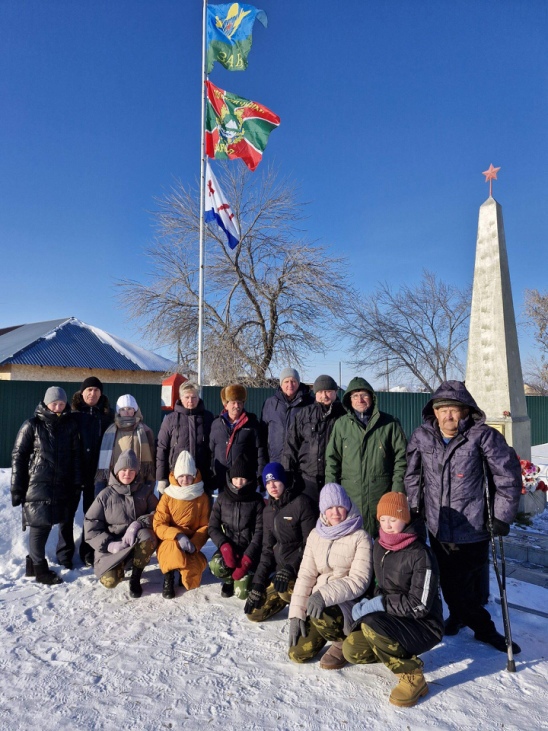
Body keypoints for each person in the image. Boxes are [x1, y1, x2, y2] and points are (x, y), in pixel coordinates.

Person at [404, 380, 522, 654]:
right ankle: (459, 617)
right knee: (448, 581)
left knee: (463, 585)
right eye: (442, 409)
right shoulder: (423, 436)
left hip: (473, 525)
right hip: (438, 524)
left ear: (466, 410)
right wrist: (413, 509)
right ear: (434, 411)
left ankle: (485, 630)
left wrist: (502, 516)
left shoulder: (483, 437)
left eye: (454, 409)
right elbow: (412, 475)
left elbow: (507, 476)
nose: (448, 415)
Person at [343, 492, 443, 708]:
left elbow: (420, 605)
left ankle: (413, 675)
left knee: (372, 625)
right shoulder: (380, 545)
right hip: (394, 618)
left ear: (405, 519)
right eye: (383, 519)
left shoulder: (420, 554)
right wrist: (367, 601)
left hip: (424, 625)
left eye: (393, 519)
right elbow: (381, 586)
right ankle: (391, 652)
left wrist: (379, 605)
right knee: (351, 650)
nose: (387, 525)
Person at [287, 483, 373, 670]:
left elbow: (359, 580)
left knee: (323, 612)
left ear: (348, 506)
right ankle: (321, 627)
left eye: (339, 506)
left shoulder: (360, 537)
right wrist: (296, 614)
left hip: (346, 604)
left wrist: (323, 595)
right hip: (317, 604)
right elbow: (306, 576)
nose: (335, 512)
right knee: (297, 653)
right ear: (323, 511)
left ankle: (342, 642)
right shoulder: (315, 535)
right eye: (329, 508)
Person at [11, 386, 82, 584]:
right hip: (37, 484)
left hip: (60, 485)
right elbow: (19, 455)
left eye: (61, 403)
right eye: (54, 403)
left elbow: (76, 456)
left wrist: (77, 482)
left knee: (49, 524)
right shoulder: (32, 425)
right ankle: (40, 570)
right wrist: (17, 487)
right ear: (46, 403)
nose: (58, 407)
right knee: (39, 526)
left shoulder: (69, 426)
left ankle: (32, 564)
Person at [324, 377, 407, 537]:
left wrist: (397, 490)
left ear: (372, 398)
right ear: (349, 400)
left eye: (364, 395)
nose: (359, 399)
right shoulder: (341, 425)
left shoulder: (389, 423)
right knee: (353, 542)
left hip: (382, 495)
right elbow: (332, 460)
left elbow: (401, 459)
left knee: (383, 540)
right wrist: (331, 491)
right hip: (351, 495)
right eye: (355, 396)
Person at [244, 462, 317, 622]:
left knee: (285, 591)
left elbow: (310, 545)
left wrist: (291, 567)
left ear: (283, 480)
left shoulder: (301, 503)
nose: (272, 486)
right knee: (254, 613)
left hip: (302, 571)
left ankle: (309, 611)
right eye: (268, 483)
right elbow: (267, 550)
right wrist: (258, 584)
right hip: (281, 574)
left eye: (276, 481)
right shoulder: (268, 511)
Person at [84, 449, 158, 598]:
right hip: (112, 547)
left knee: (147, 535)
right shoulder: (105, 495)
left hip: (136, 540)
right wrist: (110, 545)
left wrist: (137, 524)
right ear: (117, 471)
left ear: (136, 472)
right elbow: (91, 525)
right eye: (124, 469)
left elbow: (158, 514)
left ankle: (136, 576)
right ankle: (122, 564)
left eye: (132, 470)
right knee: (109, 581)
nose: (127, 474)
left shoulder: (145, 491)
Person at [65, 376, 114, 567]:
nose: (92, 394)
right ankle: (65, 554)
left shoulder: (108, 416)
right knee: (67, 516)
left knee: (92, 515)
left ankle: (88, 551)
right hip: (74, 473)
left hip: (97, 475)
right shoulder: (72, 414)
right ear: (82, 392)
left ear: (101, 393)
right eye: (89, 390)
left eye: (96, 390)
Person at [153, 450, 211, 599]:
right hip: (170, 540)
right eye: (181, 476)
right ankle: (169, 577)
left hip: (191, 543)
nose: (185, 479)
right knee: (172, 549)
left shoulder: (202, 497)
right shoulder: (168, 495)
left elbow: (205, 526)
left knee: (192, 581)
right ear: (176, 476)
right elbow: (159, 524)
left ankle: (183, 569)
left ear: (194, 476)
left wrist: (195, 543)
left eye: (188, 476)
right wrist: (177, 535)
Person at [208, 454, 265, 600]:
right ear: (230, 478)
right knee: (216, 565)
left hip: (248, 552)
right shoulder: (222, 499)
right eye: (235, 478)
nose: (238, 482)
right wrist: (224, 546)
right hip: (229, 550)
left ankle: (247, 574)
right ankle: (228, 580)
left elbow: (260, 533)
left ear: (249, 479)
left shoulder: (256, 501)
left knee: (243, 593)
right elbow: (212, 527)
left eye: (243, 478)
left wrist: (247, 559)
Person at [283, 375, 346, 503]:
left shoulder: (344, 415)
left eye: (328, 391)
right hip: (307, 480)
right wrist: (288, 474)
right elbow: (291, 446)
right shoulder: (303, 415)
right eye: (320, 392)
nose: (324, 396)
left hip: (336, 479)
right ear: (315, 393)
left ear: (335, 392)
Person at [156, 381, 214, 495]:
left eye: (194, 397)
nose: (190, 401)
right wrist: (162, 478)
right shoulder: (170, 419)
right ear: (181, 398)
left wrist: (212, 475)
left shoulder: (208, 418)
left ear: (199, 397)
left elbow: (213, 448)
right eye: (187, 397)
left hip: (201, 476)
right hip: (177, 477)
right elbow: (162, 448)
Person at [209, 383, 266, 494]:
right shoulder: (216, 424)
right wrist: (212, 474)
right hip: (222, 480)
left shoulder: (252, 424)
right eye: (233, 402)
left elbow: (261, 452)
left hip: (244, 480)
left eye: (240, 402)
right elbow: (211, 452)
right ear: (226, 405)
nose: (237, 406)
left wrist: (260, 476)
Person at [94, 394, 155, 493]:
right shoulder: (110, 431)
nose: (126, 412)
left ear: (134, 410)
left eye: (129, 408)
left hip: (137, 481)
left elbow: (151, 457)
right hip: (114, 482)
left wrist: (150, 482)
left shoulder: (145, 430)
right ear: (119, 411)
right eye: (122, 409)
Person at [261, 368, 314, 463]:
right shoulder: (270, 403)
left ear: (298, 383)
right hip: (275, 461)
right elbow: (263, 434)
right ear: (281, 384)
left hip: (300, 463)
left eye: (293, 381)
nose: (290, 385)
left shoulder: (310, 403)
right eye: (286, 381)